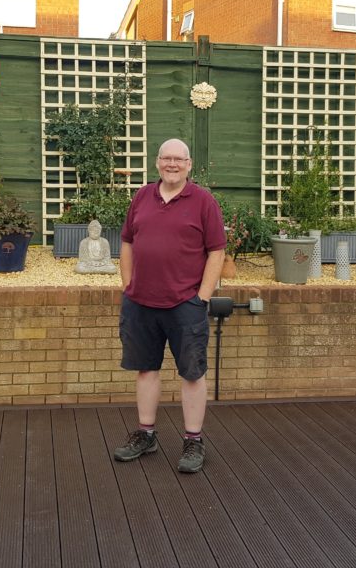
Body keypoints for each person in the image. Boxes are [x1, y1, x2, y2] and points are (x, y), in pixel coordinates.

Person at [112, 138, 226, 473]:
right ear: (157, 163)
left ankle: (193, 441)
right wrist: (128, 286)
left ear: (189, 165)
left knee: (192, 373)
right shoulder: (142, 197)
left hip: (184, 304)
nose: (172, 164)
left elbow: (216, 252)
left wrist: (202, 296)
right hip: (140, 303)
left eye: (179, 159)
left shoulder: (203, 201)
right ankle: (146, 434)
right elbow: (128, 242)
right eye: (166, 159)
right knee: (145, 369)